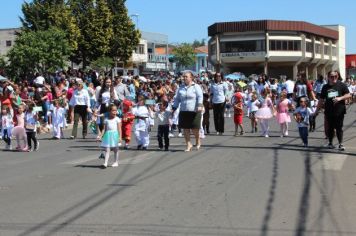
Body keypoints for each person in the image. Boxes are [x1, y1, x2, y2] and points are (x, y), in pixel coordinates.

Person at [316, 70, 352, 151]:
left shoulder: (341, 85)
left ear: (337, 76)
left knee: (339, 127)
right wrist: (316, 111)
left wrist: (340, 98)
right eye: (332, 77)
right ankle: (330, 143)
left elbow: (348, 94)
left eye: (336, 76)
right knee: (330, 128)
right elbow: (321, 100)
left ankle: (340, 144)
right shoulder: (325, 87)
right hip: (329, 110)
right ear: (328, 77)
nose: (334, 78)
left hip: (339, 110)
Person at [172, 71, 203, 151]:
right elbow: (177, 99)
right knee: (185, 129)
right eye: (184, 76)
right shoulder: (180, 88)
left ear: (191, 78)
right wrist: (174, 107)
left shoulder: (196, 86)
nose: (184, 78)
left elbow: (200, 96)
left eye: (186, 76)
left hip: (194, 111)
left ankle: (197, 140)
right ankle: (188, 144)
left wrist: (199, 105)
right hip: (184, 111)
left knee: (195, 129)